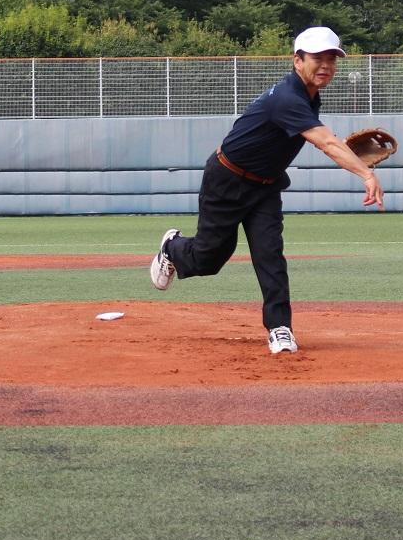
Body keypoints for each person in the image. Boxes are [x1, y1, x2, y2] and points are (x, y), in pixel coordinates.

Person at [149, 26, 385, 354]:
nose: (326, 65)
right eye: (317, 58)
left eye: (332, 59)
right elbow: (326, 143)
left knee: (269, 254)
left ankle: (279, 327)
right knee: (209, 258)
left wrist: (343, 150)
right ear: (297, 60)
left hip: (265, 187)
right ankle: (172, 248)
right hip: (227, 180)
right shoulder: (288, 97)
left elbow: (320, 139)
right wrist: (366, 174)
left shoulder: (309, 97)